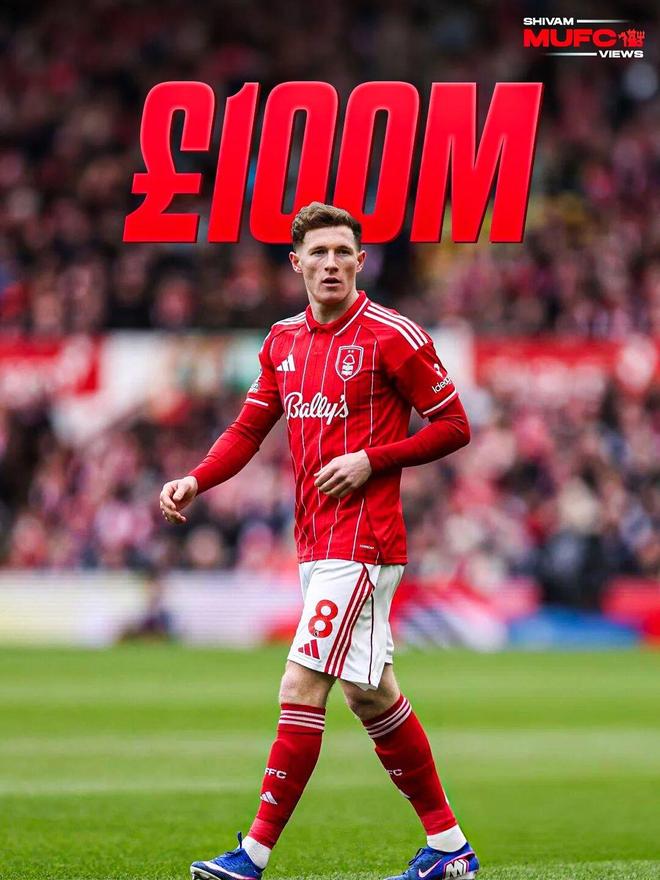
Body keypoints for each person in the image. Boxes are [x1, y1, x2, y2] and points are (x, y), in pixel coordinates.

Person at [160, 202, 479, 880]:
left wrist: (373, 459)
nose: (330, 263)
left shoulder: (394, 335)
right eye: (318, 253)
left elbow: (454, 424)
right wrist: (196, 479)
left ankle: (252, 855)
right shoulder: (281, 341)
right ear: (296, 263)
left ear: (361, 261)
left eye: (342, 252)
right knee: (372, 694)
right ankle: (450, 847)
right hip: (315, 541)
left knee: (301, 684)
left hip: (363, 542)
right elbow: (248, 429)